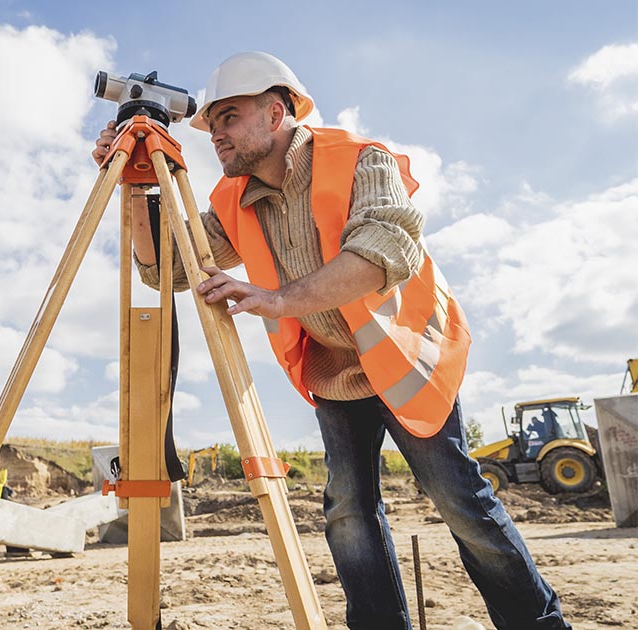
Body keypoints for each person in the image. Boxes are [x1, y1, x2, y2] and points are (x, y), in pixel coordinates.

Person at [92, 52, 570, 629]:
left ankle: (538, 625)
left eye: (229, 117)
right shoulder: (231, 199)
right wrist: (132, 187)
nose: (216, 134)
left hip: (404, 357)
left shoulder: (361, 161)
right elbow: (163, 269)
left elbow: (379, 255)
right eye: (211, 123)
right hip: (333, 371)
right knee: (347, 511)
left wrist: (277, 299)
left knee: (460, 503)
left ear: (276, 113)